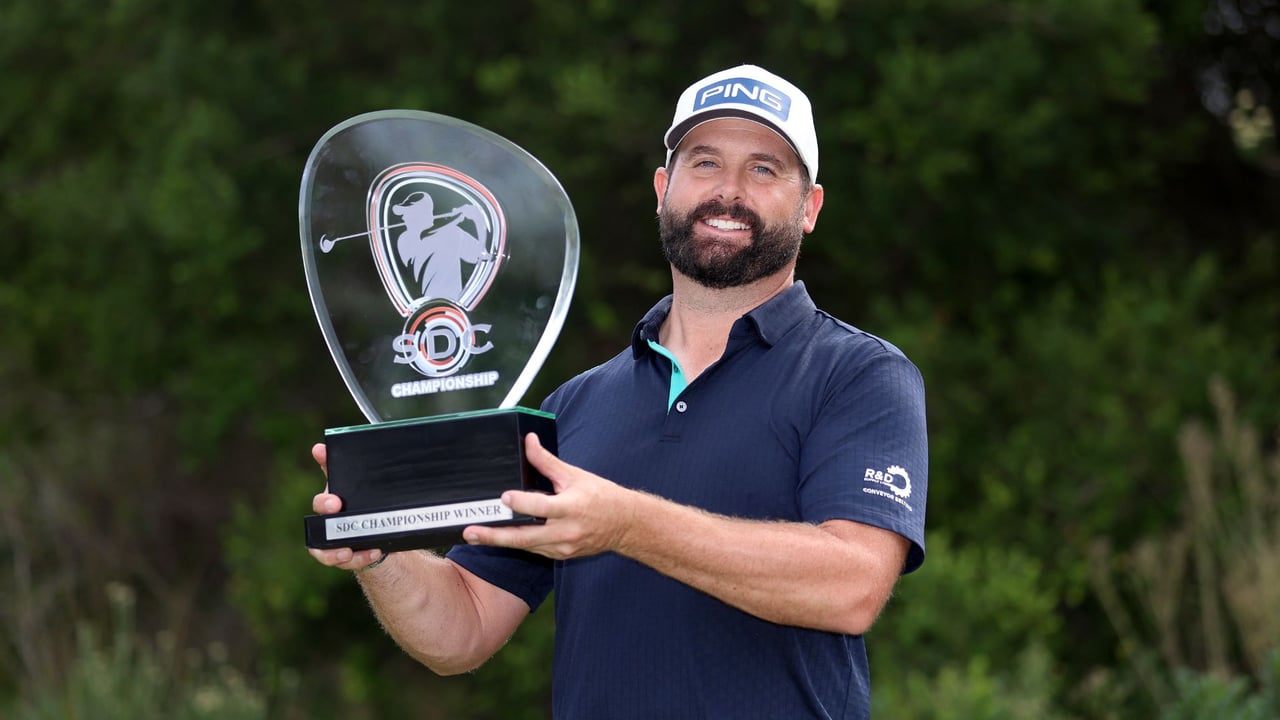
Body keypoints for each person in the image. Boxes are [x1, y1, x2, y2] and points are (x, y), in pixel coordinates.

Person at [309, 64, 928, 720]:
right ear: (663, 189)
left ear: (810, 208)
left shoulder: (859, 376)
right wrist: (378, 552)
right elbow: (462, 629)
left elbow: (852, 585)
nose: (728, 191)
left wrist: (627, 524)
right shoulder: (574, 406)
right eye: (705, 162)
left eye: (765, 170)